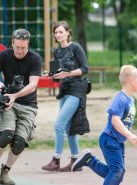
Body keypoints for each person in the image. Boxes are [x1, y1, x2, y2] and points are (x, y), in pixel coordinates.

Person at [72, 65, 137, 185]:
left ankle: (89, 160)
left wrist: (128, 134)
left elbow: (124, 122)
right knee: (117, 171)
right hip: (110, 140)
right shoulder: (121, 98)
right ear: (131, 80)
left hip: (117, 141)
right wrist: (130, 135)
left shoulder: (130, 100)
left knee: (117, 174)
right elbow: (115, 120)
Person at [0, 28, 42, 185]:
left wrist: (15, 96)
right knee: (6, 135)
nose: (20, 51)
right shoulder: (4, 55)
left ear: (28, 44)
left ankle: (5, 172)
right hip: (8, 103)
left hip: (29, 105)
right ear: (12, 43)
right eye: (17, 47)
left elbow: (33, 85)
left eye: (23, 47)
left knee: (19, 143)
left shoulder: (35, 58)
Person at [41, 21, 89, 172]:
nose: (58, 35)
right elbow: (58, 75)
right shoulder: (57, 52)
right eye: (56, 33)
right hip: (64, 91)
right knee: (68, 128)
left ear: (68, 32)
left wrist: (68, 73)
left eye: (61, 32)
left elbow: (85, 68)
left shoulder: (75, 47)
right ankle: (75, 161)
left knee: (59, 125)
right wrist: (51, 75)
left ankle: (56, 160)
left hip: (76, 90)